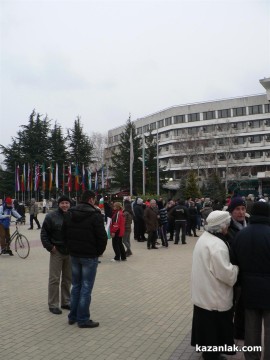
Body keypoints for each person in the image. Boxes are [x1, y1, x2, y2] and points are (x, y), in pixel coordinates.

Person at [191, 211, 239, 360]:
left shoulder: (205, 238)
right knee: (214, 329)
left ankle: (208, 353)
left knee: (206, 328)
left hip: (203, 293)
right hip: (214, 296)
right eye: (227, 223)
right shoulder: (217, 245)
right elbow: (225, 273)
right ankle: (212, 356)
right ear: (222, 226)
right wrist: (236, 269)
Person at [231, 201, 270, 360]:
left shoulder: (241, 235)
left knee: (251, 329)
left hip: (248, 289)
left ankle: (252, 356)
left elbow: (234, 261)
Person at [63, 190, 107, 328]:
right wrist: (98, 252)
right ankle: (83, 319)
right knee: (86, 287)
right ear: (91, 200)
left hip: (74, 255)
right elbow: (102, 237)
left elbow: (64, 233)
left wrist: (70, 249)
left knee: (76, 286)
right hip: (89, 256)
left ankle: (73, 316)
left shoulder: (70, 213)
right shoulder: (95, 215)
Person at [40, 195, 72, 315]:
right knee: (54, 279)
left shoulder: (72, 216)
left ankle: (66, 301)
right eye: (62, 203)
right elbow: (44, 234)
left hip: (69, 251)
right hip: (56, 251)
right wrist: (50, 247)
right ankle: (53, 304)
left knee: (68, 278)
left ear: (70, 204)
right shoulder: (51, 216)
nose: (65, 205)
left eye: (67, 203)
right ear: (59, 204)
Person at [227, 196, 248, 340]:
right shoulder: (228, 229)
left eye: (243, 209)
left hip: (246, 273)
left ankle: (239, 332)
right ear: (231, 211)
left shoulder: (250, 224)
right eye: (237, 209)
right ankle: (228, 332)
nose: (240, 212)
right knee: (231, 304)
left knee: (243, 305)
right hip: (233, 273)